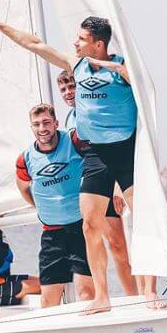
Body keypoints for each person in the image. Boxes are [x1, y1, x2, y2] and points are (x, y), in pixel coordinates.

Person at [0, 8, 165, 311]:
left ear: (98, 43)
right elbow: (36, 44)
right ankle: (102, 297)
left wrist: (111, 67)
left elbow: (143, 85)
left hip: (124, 153)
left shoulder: (121, 67)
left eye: (81, 39)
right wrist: (2, 28)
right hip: (95, 155)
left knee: (143, 222)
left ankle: (149, 291)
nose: (75, 43)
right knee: (90, 225)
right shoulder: (75, 64)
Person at [57, 70, 138, 296]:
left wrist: (116, 187)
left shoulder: (96, 112)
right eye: (63, 89)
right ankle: (104, 297)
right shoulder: (69, 119)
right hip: (92, 184)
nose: (68, 92)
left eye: (72, 87)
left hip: (113, 180)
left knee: (119, 245)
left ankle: (136, 296)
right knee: (100, 239)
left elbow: (111, 148)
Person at [16, 104, 94, 308]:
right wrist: (41, 206)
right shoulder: (25, 159)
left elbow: (98, 161)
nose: (42, 128)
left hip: (80, 229)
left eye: (46, 123)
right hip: (51, 234)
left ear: (56, 123)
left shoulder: (74, 141)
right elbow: (23, 187)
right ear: (31, 128)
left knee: (86, 293)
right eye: (37, 124)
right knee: (49, 299)